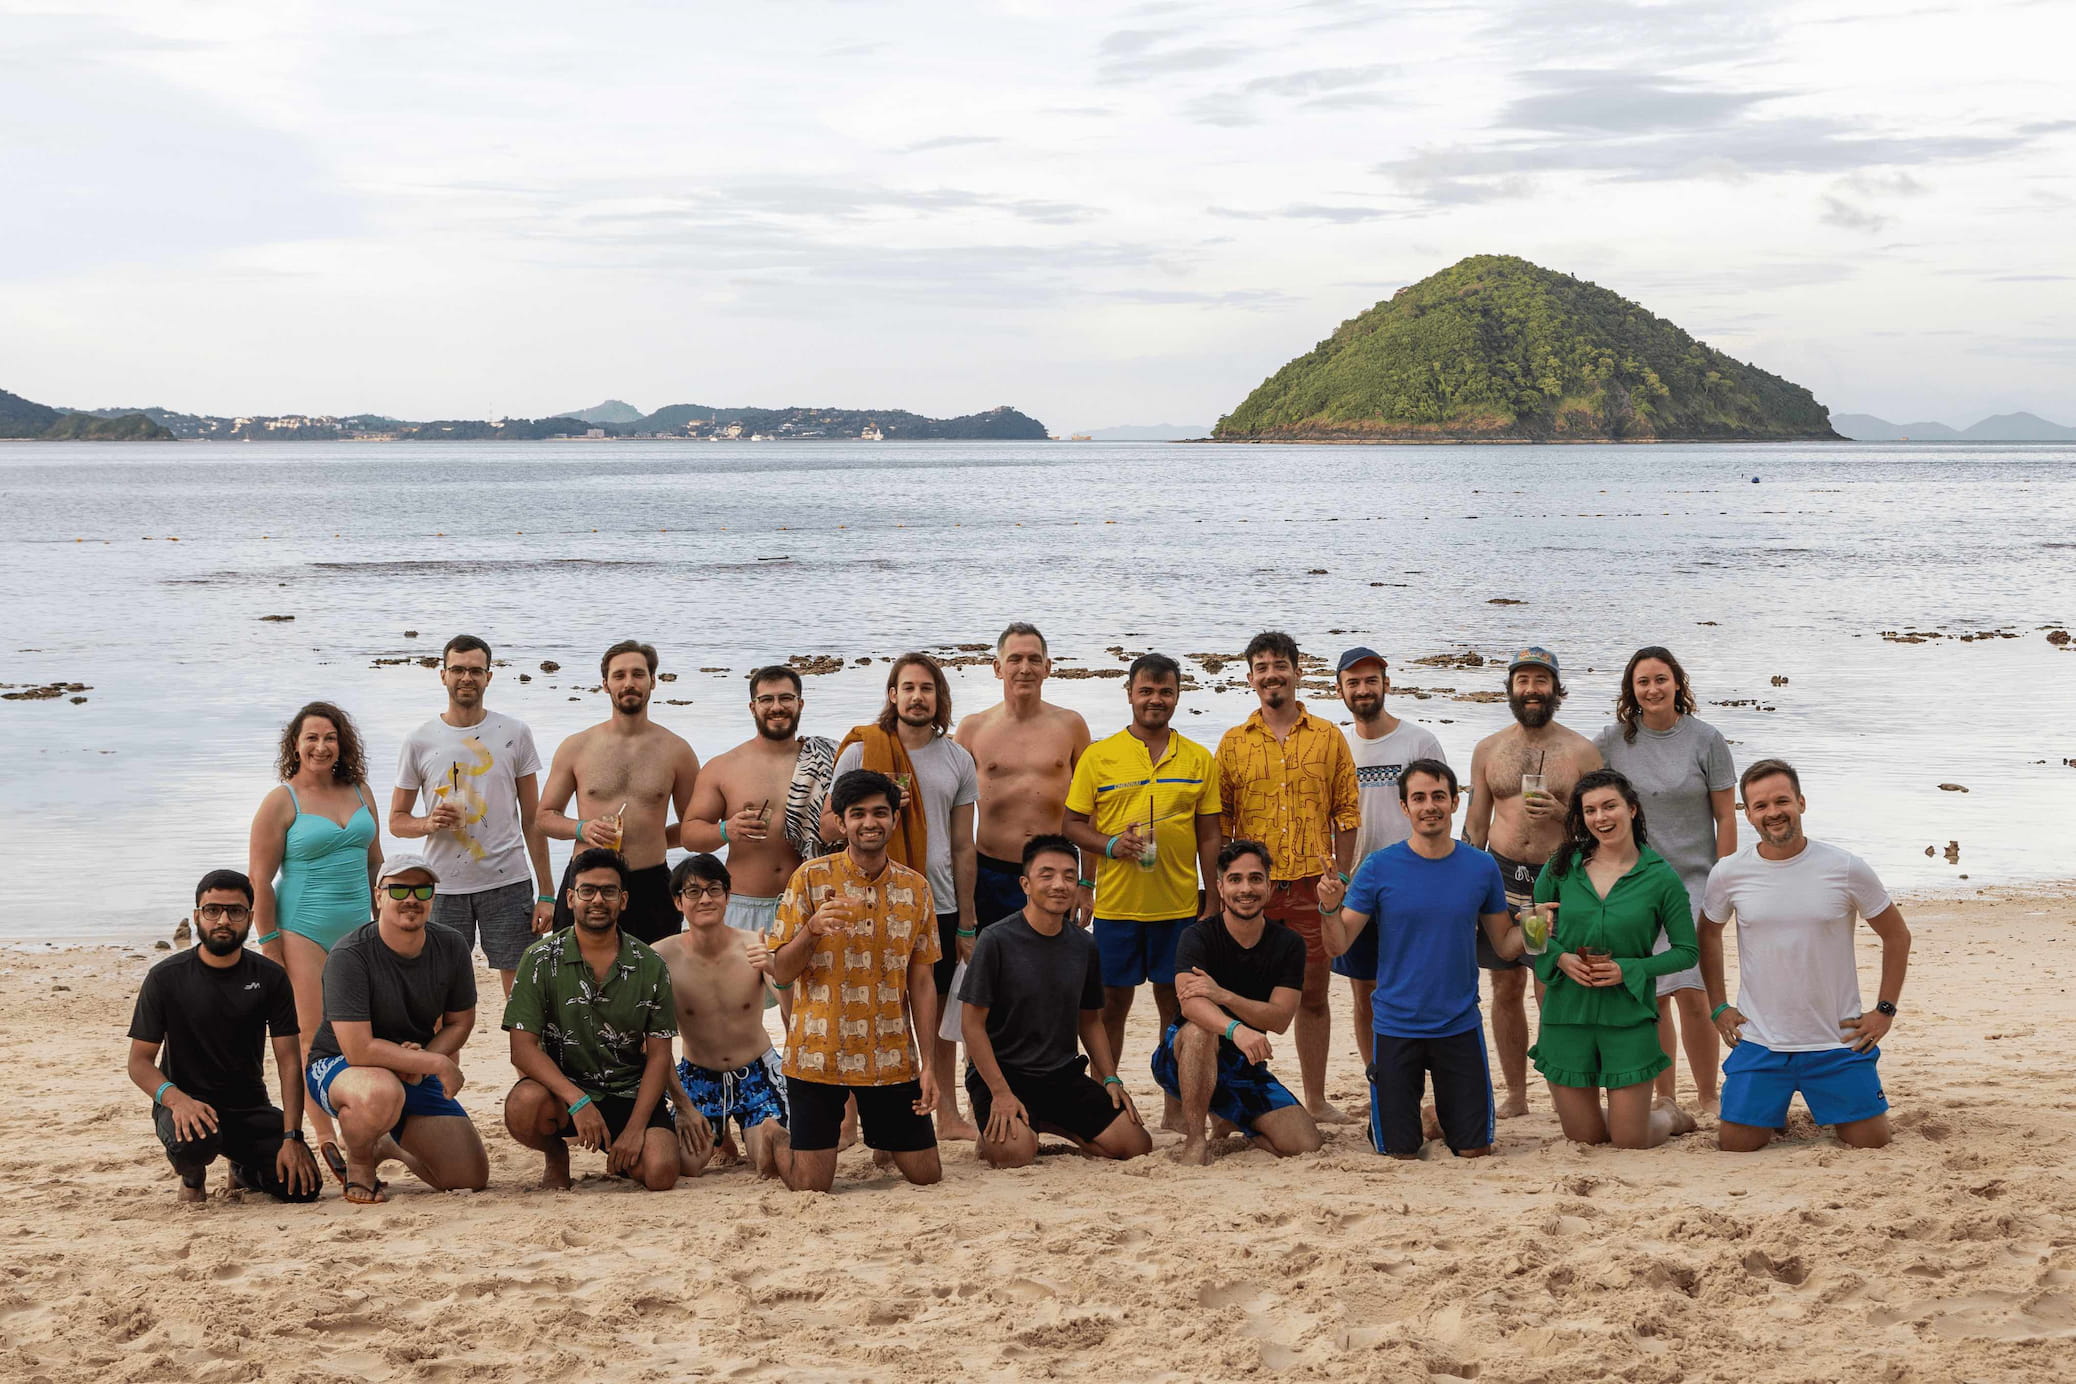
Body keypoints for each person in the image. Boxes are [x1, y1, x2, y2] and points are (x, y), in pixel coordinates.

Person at [1699, 760, 1911, 1153]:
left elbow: (1897, 935)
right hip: (1761, 1039)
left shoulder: (1845, 867)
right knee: (1736, 1145)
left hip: (1837, 1041)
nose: (1773, 812)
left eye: (1782, 801)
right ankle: (1770, 1106)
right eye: (1760, 805)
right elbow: (1709, 934)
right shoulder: (1728, 872)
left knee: (1871, 1143)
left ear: (1801, 802)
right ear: (1748, 814)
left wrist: (1884, 1010)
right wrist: (1718, 1006)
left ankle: (1818, 1100)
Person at [1320, 760, 1526, 1159]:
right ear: (1404, 807)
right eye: (1418, 798)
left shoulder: (1481, 866)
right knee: (1399, 1152)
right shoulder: (1379, 867)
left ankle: (1434, 1116)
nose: (1429, 806)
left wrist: (1541, 928)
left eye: (1438, 797)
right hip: (1397, 1025)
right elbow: (1338, 945)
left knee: (1474, 1152)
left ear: (1454, 802)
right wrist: (1329, 909)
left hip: (1458, 1023)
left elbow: (1504, 945)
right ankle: (1418, 1118)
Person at [1062, 653, 1222, 1132]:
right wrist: (1110, 845)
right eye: (1146, 691)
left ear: (1177, 695)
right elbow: (1071, 824)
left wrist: (1211, 900)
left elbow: (1210, 833)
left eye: (1165, 691)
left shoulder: (1197, 758)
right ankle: (1106, 1100)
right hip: (1116, 908)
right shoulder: (1099, 755)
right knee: (1110, 1007)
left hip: (1178, 907)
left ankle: (1175, 1105)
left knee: (1174, 1008)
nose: (1156, 700)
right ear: (1129, 693)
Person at [823, 653, 980, 1140]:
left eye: (927, 689)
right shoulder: (863, 750)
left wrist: (969, 920)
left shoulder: (957, 758)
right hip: (866, 897)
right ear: (892, 696)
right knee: (861, 1003)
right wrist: (882, 804)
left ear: (939, 698)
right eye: (907, 687)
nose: (917, 697)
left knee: (933, 1008)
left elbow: (962, 845)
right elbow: (830, 823)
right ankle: (849, 1117)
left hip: (938, 901)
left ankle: (948, 1113)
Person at [773, 769, 944, 1191]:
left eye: (880, 813)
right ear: (841, 821)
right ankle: (776, 1139)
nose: (870, 822)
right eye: (858, 814)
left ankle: (882, 1138)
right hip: (817, 1057)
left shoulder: (916, 889)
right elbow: (780, 971)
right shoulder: (810, 878)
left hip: (889, 1058)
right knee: (811, 1185)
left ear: (894, 820)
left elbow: (922, 983)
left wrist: (929, 1067)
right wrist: (811, 929)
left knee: (927, 1176)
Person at [1215, 631, 1359, 1125]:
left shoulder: (1328, 736)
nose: (1271, 674)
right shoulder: (1234, 742)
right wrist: (1221, 887)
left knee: (1313, 995)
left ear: (1298, 672)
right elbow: (1222, 822)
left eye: (1280, 665)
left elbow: (1346, 813)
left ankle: (1315, 1099)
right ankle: (1233, 1103)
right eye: (1261, 667)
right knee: (1237, 1000)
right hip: (1251, 890)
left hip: (1308, 886)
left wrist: (1339, 878)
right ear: (1250, 677)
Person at [1593, 646, 1737, 1114]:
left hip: (1696, 879)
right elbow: (1591, 805)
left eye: (1660, 679)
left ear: (1677, 683)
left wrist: (1727, 880)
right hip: (1636, 882)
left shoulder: (1706, 739)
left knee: (1692, 989)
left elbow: (1725, 817)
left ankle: (1709, 1095)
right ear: (1630, 691)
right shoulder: (1611, 743)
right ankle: (1666, 1098)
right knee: (1652, 994)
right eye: (1642, 682)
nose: (1652, 689)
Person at [1523, 770, 1701, 1148]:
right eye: (1590, 811)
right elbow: (1532, 935)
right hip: (1566, 1014)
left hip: (1628, 1016)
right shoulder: (1560, 865)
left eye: (1609, 806)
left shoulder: (1660, 877)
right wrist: (1560, 957)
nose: (1600, 818)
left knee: (1629, 1139)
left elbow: (1687, 951)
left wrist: (1630, 968)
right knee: (1584, 1136)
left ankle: (1667, 1113)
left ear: (1632, 809)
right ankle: (1627, 1114)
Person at [1464, 647, 1602, 1119]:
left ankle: (1563, 1085)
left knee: (1552, 984)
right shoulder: (1489, 750)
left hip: (1553, 883)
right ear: (1510, 689)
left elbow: (1603, 823)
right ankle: (1518, 1094)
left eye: (1540, 681)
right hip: (1502, 879)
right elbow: (1476, 823)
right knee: (1504, 985)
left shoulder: (1581, 751)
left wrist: (1566, 815)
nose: (1531, 690)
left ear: (1555, 688)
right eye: (1522, 680)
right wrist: (1464, 880)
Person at [126, 869, 321, 1203]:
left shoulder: (270, 977)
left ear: (250, 917)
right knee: (195, 1142)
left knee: (304, 1188)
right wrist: (175, 1100)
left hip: (248, 1107)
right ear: (197, 916)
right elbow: (139, 1063)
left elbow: (290, 1062)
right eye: (212, 910)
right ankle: (192, 1177)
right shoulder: (165, 978)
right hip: (185, 1106)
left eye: (235, 911)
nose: (223, 920)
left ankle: (242, 1168)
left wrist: (293, 1136)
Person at [304, 854, 489, 1203]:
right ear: (378, 896)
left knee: (468, 1178)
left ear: (433, 897)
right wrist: (433, 1064)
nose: (411, 899)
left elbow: (461, 1021)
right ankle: (360, 1162)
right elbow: (358, 1049)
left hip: (410, 1069)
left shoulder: (451, 945)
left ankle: (388, 1142)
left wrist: (424, 1059)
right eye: (399, 888)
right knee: (381, 1093)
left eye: (422, 890)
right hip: (341, 1066)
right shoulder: (350, 954)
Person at [959, 835, 1150, 1167]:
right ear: (1026, 884)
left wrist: (1110, 1078)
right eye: (1046, 875)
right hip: (1004, 1075)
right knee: (1013, 1155)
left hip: (1060, 1075)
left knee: (1136, 1144)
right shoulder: (995, 940)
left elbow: (1090, 1020)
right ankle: (1017, 1129)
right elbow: (971, 1025)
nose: (1059, 885)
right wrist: (1001, 1093)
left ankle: (1045, 1123)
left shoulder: (1083, 946)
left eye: (1069, 876)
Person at [502, 848, 684, 1191]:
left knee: (661, 1173)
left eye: (609, 891)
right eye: (588, 890)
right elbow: (522, 1050)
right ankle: (557, 1154)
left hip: (629, 1090)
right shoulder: (539, 959)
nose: (598, 899)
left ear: (624, 900)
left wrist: (634, 1129)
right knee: (523, 1105)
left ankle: (621, 1152)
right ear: (570, 898)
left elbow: (660, 1055)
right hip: (564, 1092)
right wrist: (578, 1100)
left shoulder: (651, 964)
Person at [248, 700, 380, 1166]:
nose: (321, 746)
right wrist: (270, 946)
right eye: (311, 738)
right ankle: (324, 1135)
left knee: (358, 1028)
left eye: (329, 737)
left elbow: (374, 862)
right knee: (310, 1033)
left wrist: (382, 922)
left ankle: (360, 1116)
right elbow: (259, 880)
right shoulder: (282, 800)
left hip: (360, 928)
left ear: (341, 743)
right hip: (301, 927)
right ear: (296, 745)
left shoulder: (361, 789)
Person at [388, 633, 556, 997]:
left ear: (488, 677)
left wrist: (547, 892)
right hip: (445, 885)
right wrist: (428, 823)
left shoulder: (515, 732)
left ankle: (524, 1055)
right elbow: (397, 821)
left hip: (508, 882)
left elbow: (533, 818)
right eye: (458, 670)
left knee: (524, 994)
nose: (467, 678)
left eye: (475, 671)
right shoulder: (419, 739)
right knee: (439, 992)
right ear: (443, 674)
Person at [1155, 841, 1321, 1165]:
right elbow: (1190, 1005)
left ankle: (1232, 1116)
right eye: (1235, 880)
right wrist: (1235, 1029)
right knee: (1201, 1031)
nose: (1246, 889)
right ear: (1220, 886)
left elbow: (1280, 1019)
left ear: (1269, 887)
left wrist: (1224, 995)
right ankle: (1195, 1138)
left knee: (1306, 1143)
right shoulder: (1198, 936)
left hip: (1244, 1066)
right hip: (1183, 1059)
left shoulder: (1288, 944)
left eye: (1255, 879)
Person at [1331, 646, 1447, 1076]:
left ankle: (1425, 1074)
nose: (1363, 690)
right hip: (1358, 886)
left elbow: (1439, 810)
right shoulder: (1338, 745)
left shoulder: (1419, 742)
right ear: (1340, 689)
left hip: (1414, 886)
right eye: (1354, 682)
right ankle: (1378, 1075)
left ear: (1386, 685)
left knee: (1417, 987)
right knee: (1366, 993)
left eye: (1371, 681)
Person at [540, 640, 701, 946]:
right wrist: (582, 828)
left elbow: (695, 826)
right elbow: (545, 817)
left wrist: (653, 838)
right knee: (572, 976)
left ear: (653, 681)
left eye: (638, 674)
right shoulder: (577, 747)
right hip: (587, 879)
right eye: (619, 675)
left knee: (652, 979)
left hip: (650, 882)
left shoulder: (676, 751)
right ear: (605, 684)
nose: (629, 683)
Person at [653, 854, 794, 1181]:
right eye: (693, 892)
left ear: (728, 897)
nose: (705, 899)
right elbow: (649, 1032)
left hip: (756, 1071)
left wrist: (775, 967)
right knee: (686, 1165)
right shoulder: (660, 957)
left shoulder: (754, 945)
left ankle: (762, 1127)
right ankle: (721, 1139)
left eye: (714, 890)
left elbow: (792, 1009)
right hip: (698, 1077)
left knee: (769, 1153)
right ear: (678, 903)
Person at [681, 665, 838, 945]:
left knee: (808, 990)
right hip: (744, 905)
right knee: (738, 990)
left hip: (808, 905)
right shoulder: (723, 767)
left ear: (800, 704)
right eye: (767, 700)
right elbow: (690, 836)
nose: (777, 707)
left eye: (785, 698)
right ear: (752, 707)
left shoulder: (827, 761)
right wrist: (726, 830)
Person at [952, 623, 1092, 929]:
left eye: (1033, 659)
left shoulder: (1071, 725)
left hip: (1056, 871)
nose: (1025, 668)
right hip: (991, 872)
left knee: (1054, 970)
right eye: (1015, 659)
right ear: (997, 668)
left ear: (1047, 667)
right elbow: (951, 810)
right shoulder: (973, 729)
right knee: (995, 967)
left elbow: (1089, 812)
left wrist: (1087, 884)